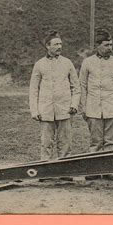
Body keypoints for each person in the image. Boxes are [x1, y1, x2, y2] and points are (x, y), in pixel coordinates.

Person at [79, 28, 113, 181]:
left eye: (111, 45)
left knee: (111, 141)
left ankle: (110, 170)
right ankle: (94, 170)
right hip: (93, 108)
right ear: (98, 46)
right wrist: (84, 106)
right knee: (95, 142)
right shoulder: (87, 63)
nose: (110, 48)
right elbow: (82, 85)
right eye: (107, 45)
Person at [29, 30, 80, 168]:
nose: (59, 47)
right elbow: (33, 89)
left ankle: (65, 171)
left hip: (65, 109)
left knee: (65, 142)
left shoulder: (67, 63)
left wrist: (74, 105)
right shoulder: (39, 64)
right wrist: (35, 110)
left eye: (61, 44)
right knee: (46, 142)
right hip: (46, 110)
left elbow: (76, 87)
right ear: (47, 46)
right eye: (56, 44)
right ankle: (45, 170)